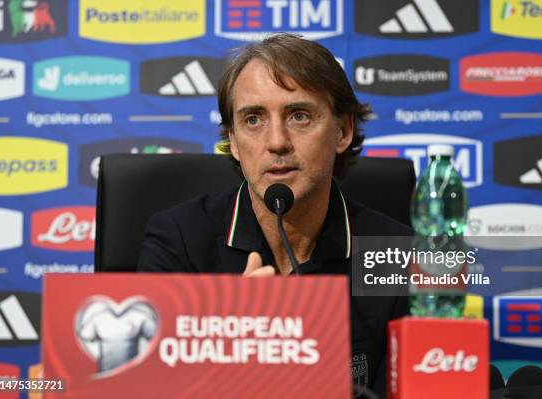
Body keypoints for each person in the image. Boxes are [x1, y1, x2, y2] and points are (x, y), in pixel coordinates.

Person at [137, 33, 412, 395]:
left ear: (342, 131)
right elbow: (148, 387)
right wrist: (230, 347)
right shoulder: (178, 243)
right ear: (233, 141)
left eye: (299, 116)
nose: (277, 141)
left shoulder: (401, 255)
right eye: (253, 119)